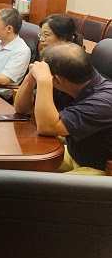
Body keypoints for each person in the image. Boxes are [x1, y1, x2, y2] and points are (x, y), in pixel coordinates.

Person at [14, 42, 112, 175]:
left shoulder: (104, 101)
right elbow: (22, 108)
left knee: (34, 187)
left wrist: (43, 81)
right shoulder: (69, 82)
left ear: (58, 80)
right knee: (16, 165)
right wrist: (30, 78)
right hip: (75, 154)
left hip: (100, 168)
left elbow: (47, 127)